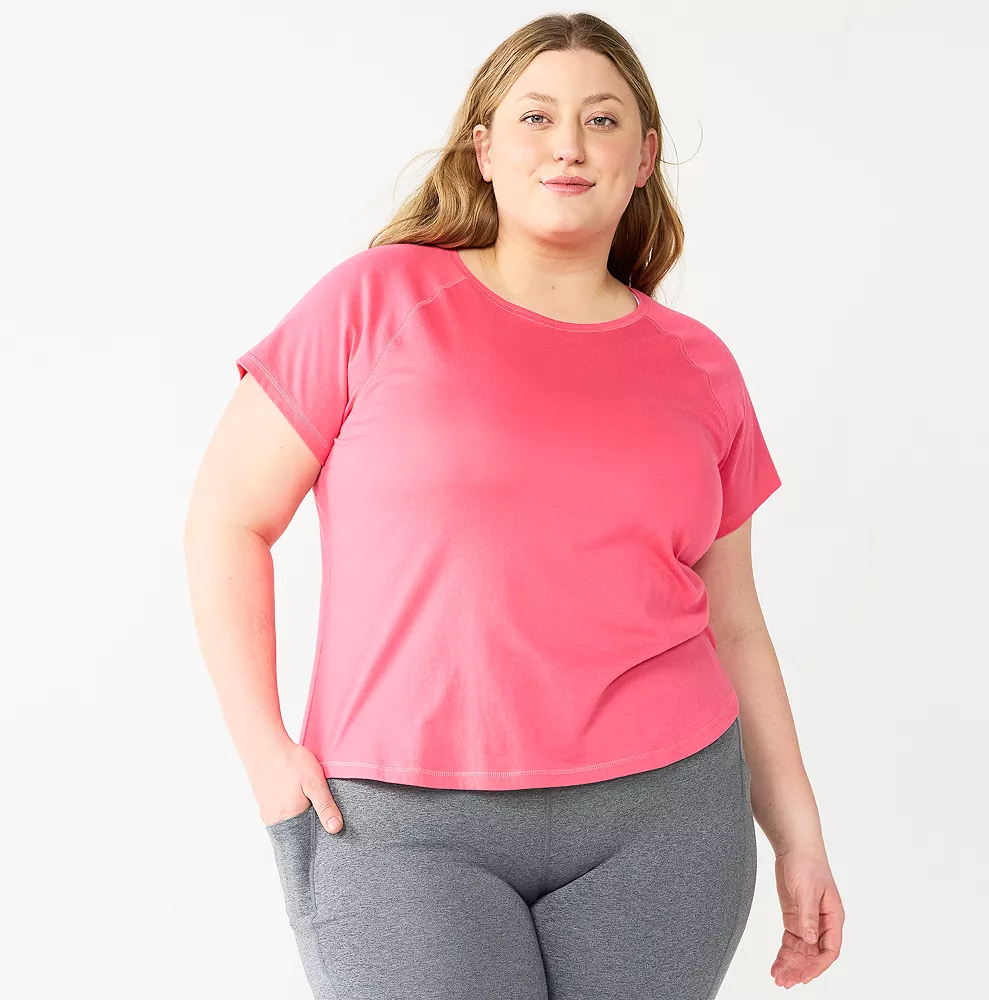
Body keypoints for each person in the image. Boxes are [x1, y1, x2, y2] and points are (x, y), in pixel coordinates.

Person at [184, 12, 844, 998]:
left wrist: (799, 834)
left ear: (643, 158)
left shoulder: (699, 366)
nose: (568, 144)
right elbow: (226, 521)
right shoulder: (373, 304)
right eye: (536, 117)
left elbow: (736, 622)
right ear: (485, 149)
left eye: (601, 120)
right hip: (395, 825)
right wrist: (266, 757)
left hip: (664, 821)